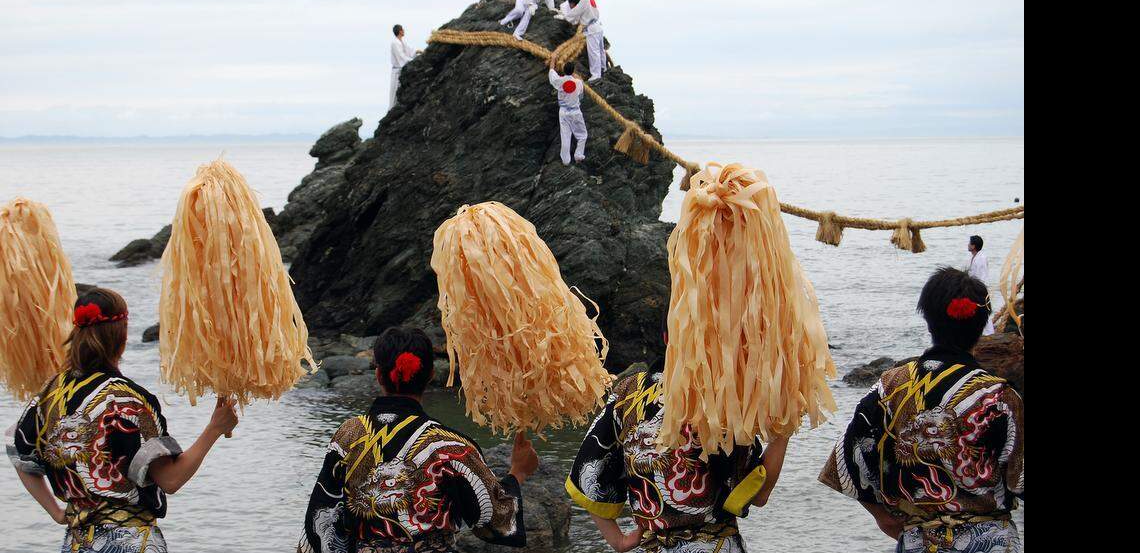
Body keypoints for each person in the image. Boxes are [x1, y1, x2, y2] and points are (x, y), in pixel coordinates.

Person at [5, 287, 239, 553]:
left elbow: (19, 455)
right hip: (130, 542)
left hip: (77, 543)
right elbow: (171, 479)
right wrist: (214, 428)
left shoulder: (49, 395)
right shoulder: (127, 400)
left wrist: (57, 512)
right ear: (122, 336)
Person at [818, 267, 1024, 553]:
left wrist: (885, 518)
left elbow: (847, 465)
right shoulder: (1000, 397)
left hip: (919, 543)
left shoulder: (889, 388)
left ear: (928, 322)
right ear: (982, 326)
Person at [298, 326, 539, 553]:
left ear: (379, 375)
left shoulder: (348, 435)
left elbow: (322, 516)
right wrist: (518, 472)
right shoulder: (451, 446)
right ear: (431, 375)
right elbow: (495, 521)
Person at [566, 311, 790, 553]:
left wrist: (618, 540)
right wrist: (784, 430)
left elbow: (588, 475)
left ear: (665, 337)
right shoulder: (719, 399)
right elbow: (758, 494)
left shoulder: (629, 392)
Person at [547, 58, 587, 165]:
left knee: (565, 136)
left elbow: (551, 72)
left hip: (563, 112)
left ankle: (566, 161)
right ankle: (578, 155)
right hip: (575, 112)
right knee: (582, 135)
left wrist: (553, 60)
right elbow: (581, 96)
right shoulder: (578, 83)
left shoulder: (559, 81)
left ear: (563, 70)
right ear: (573, 71)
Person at [563, 0, 606, 81]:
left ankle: (596, 75)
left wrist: (565, 17)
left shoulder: (584, 1)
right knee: (601, 50)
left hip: (591, 29)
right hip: (598, 26)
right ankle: (604, 68)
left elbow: (575, 12)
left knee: (594, 52)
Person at [965, 235, 995, 335]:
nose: (968, 245)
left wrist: (978, 290)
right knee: (975, 312)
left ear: (973, 246)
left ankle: (989, 334)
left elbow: (982, 277)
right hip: (973, 288)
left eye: (969, 243)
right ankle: (977, 332)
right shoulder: (972, 257)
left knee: (983, 312)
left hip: (979, 289)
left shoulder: (981, 258)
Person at [390, 24, 421, 112]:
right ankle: (391, 111)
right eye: (402, 29)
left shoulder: (401, 42)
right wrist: (412, 60)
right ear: (400, 31)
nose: (404, 31)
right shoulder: (395, 43)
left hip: (402, 70)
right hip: (396, 71)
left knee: (401, 93)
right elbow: (401, 56)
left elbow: (409, 50)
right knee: (394, 94)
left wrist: (416, 51)